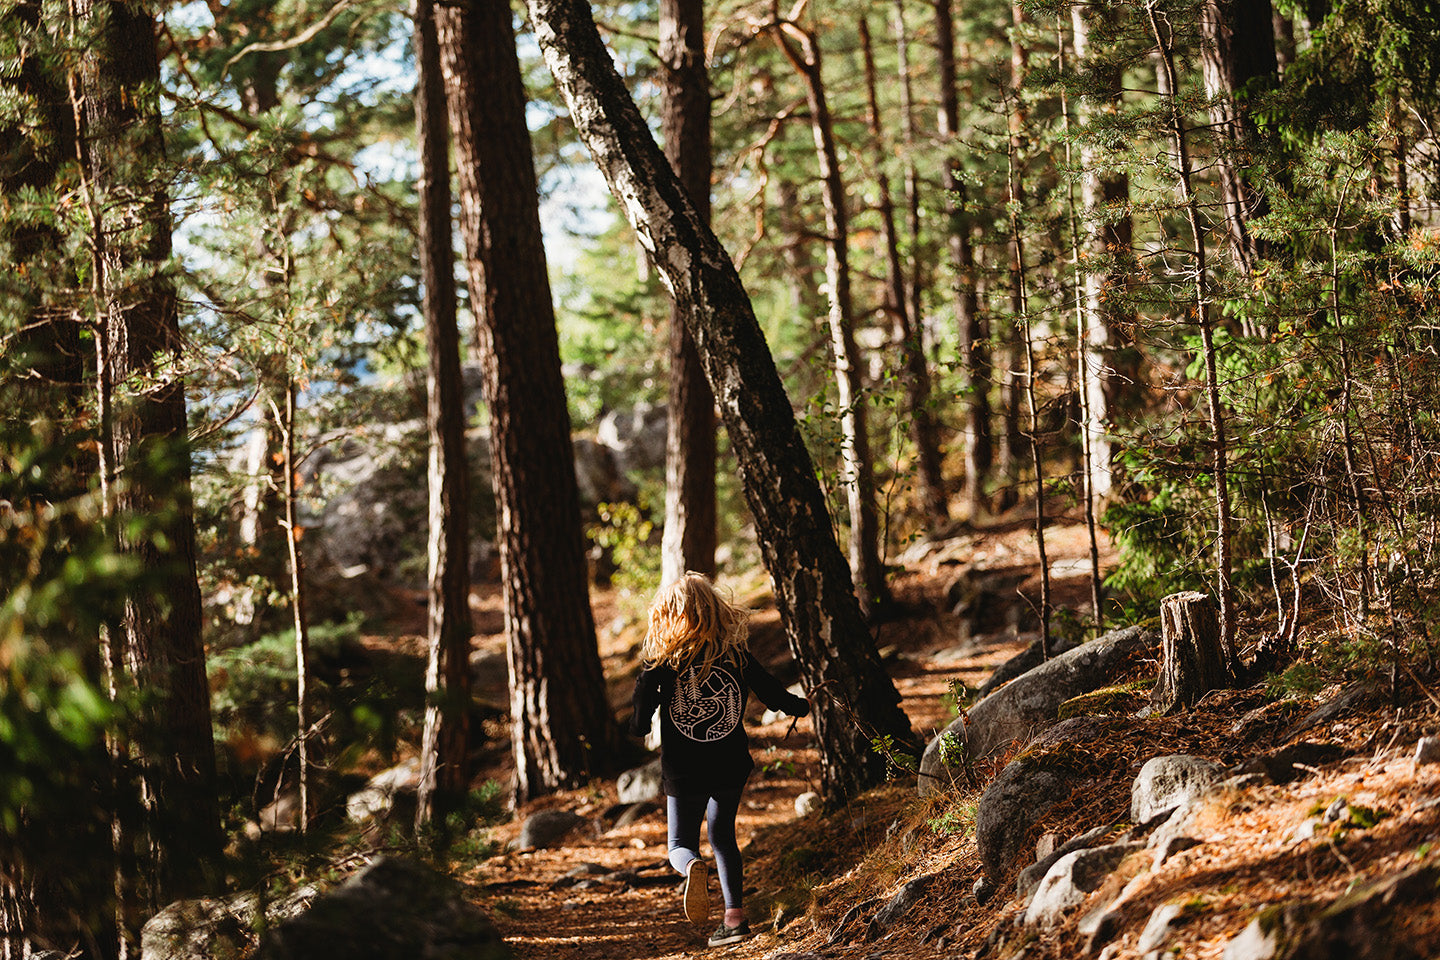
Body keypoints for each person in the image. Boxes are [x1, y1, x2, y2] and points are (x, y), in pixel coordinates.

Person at [630, 572, 810, 948]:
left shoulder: (663, 661)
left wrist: (639, 723)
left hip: (683, 767)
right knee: (724, 837)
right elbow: (772, 692)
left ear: (669, 615)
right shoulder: (735, 654)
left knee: (679, 842)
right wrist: (799, 706)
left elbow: (643, 707)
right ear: (715, 611)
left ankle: (692, 864)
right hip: (729, 764)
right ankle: (734, 920)